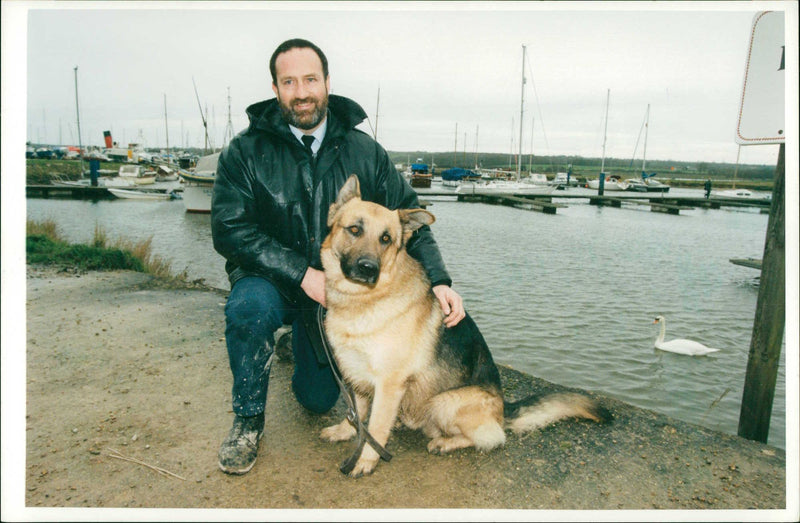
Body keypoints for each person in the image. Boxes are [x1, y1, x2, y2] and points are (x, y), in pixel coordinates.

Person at [210, 38, 466, 475]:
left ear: (327, 82)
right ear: (275, 88)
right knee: (249, 309)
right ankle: (248, 421)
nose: (302, 91)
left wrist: (440, 280)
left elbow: (404, 222)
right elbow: (229, 229)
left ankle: (299, 343)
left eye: (310, 79)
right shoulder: (245, 151)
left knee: (315, 399)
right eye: (289, 81)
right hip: (271, 279)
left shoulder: (364, 151)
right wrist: (301, 273)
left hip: (337, 297)